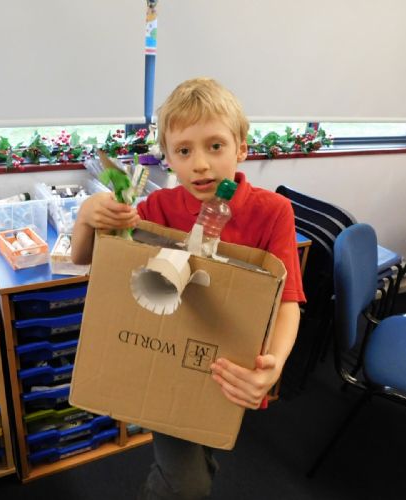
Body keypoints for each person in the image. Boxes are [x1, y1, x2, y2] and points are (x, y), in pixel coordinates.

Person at [72, 77, 305, 499]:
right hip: (168, 360)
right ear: (168, 158)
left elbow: (288, 300)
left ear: (241, 148)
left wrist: (274, 365)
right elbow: (86, 258)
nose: (199, 164)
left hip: (225, 366)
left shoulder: (273, 212)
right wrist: (88, 216)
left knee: (205, 441)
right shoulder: (157, 208)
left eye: (215, 146)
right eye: (183, 151)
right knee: (186, 484)